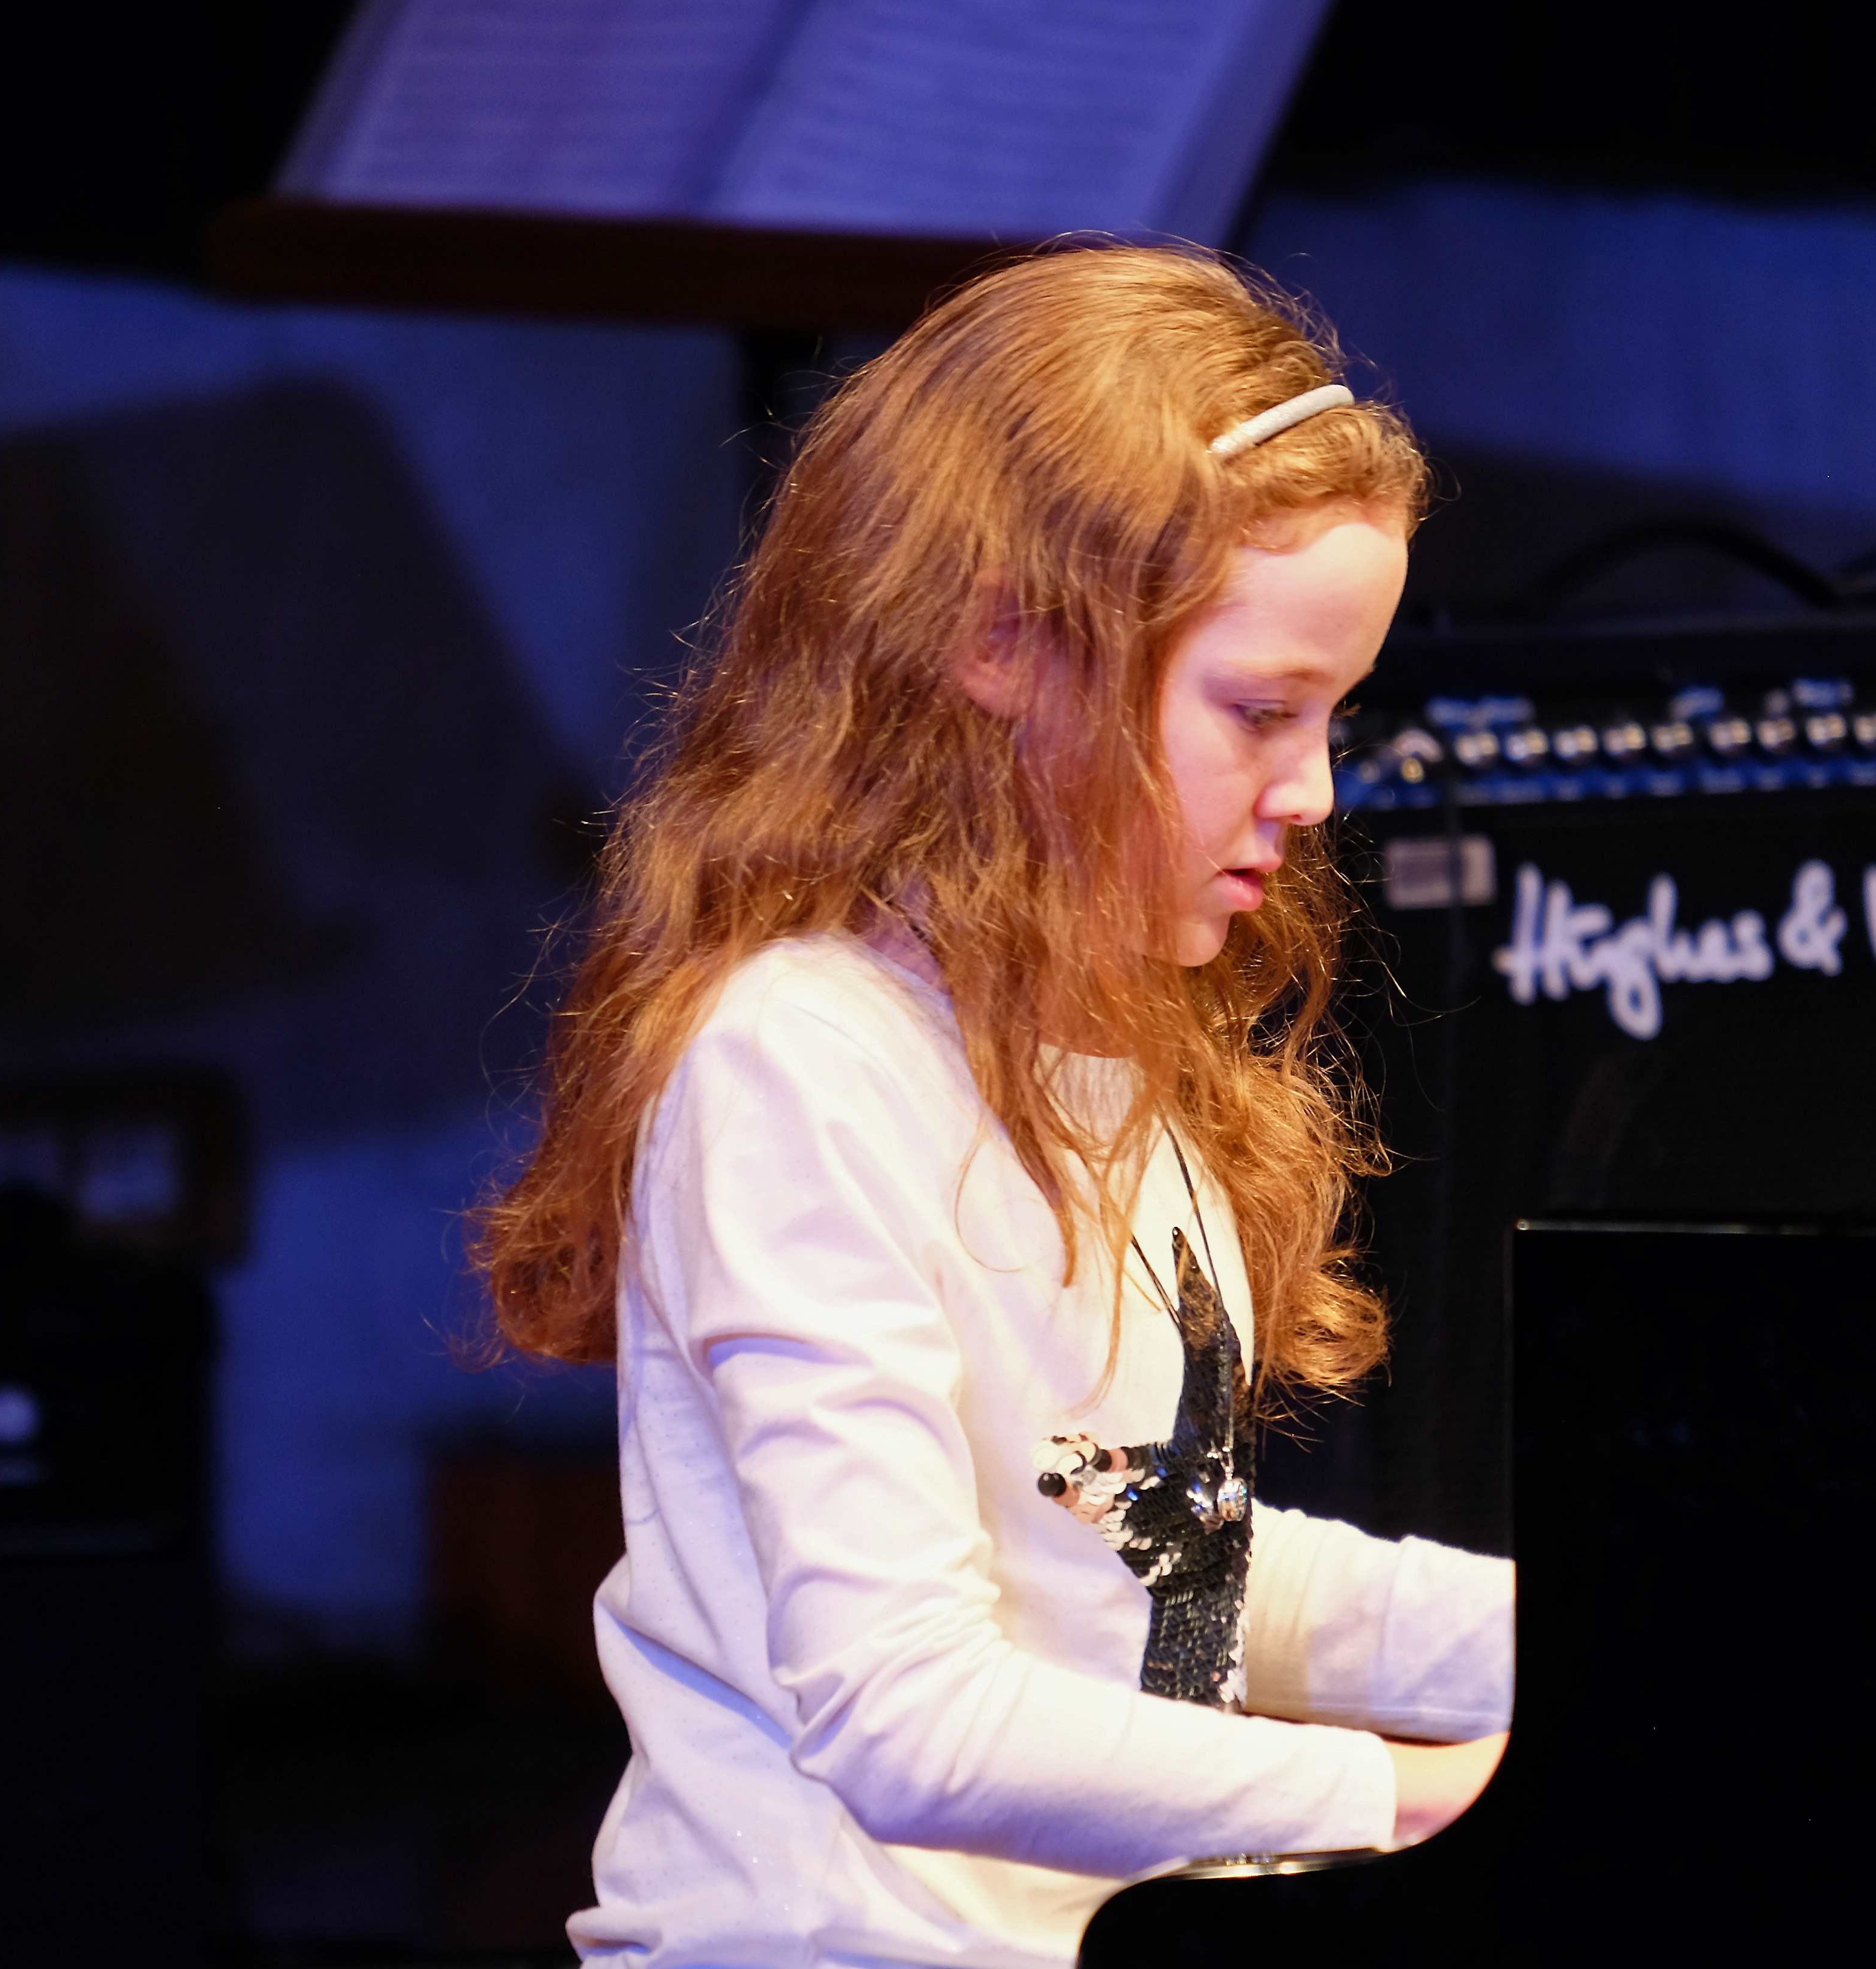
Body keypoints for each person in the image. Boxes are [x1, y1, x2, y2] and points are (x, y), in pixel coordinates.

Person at [475, 243, 1514, 1967]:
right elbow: (907, 1718)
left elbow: (1156, 1570)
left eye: (1330, 716)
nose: (1316, 792)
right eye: (1261, 711)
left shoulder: (1107, 1040)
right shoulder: (802, 1064)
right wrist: (1403, 1800)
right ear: (1009, 647)